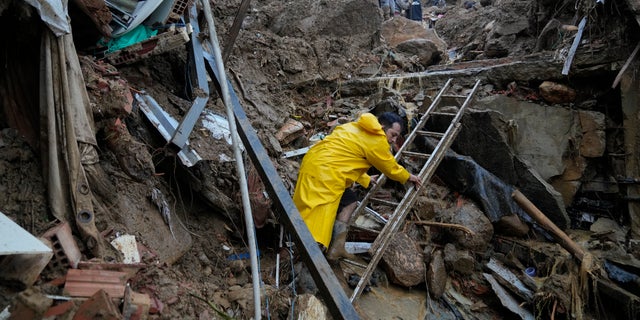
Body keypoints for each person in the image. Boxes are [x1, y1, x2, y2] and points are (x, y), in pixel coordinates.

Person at [293, 112, 422, 261]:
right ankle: (309, 253)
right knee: (317, 214)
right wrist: (409, 177)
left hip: (314, 164)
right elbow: (390, 167)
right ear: (382, 127)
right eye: (393, 135)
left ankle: (336, 247)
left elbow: (347, 155)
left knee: (348, 201)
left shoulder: (354, 126)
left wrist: (365, 178)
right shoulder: (377, 139)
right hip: (327, 174)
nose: (393, 140)